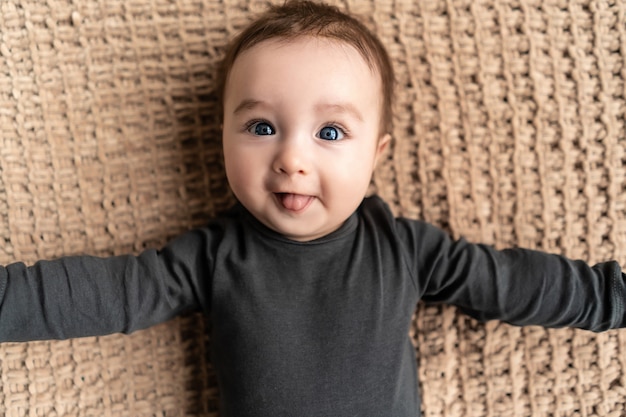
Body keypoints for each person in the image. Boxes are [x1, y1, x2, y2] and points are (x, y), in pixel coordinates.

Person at [0, 1, 624, 416]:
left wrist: (611, 298)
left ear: (375, 154)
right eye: (261, 127)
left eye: (329, 133)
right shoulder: (212, 258)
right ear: (221, 139)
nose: (291, 158)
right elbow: (103, 293)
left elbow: (514, 283)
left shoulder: (405, 250)